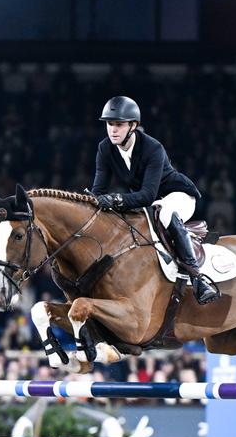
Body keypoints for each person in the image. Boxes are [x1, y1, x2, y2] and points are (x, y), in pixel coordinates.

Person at [91, 96, 219, 305]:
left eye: (119, 125)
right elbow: (97, 191)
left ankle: (198, 278)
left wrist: (114, 198)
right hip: (150, 204)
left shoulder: (152, 148)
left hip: (178, 195)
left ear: (133, 126)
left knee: (165, 212)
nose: (113, 130)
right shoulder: (105, 148)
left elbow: (148, 195)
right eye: (109, 124)